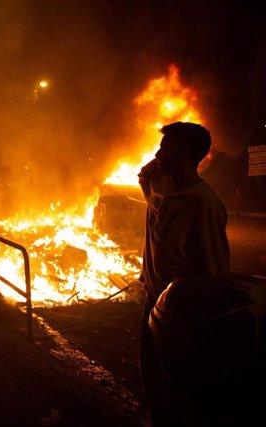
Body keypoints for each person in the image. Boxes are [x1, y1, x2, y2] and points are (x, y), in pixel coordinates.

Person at [137, 122, 230, 427]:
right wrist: (163, 160)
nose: (158, 152)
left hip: (182, 314)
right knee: (151, 374)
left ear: (187, 152)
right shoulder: (160, 191)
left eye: (167, 146)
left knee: (179, 389)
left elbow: (213, 271)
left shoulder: (203, 204)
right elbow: (144, 174)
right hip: (154, 301)